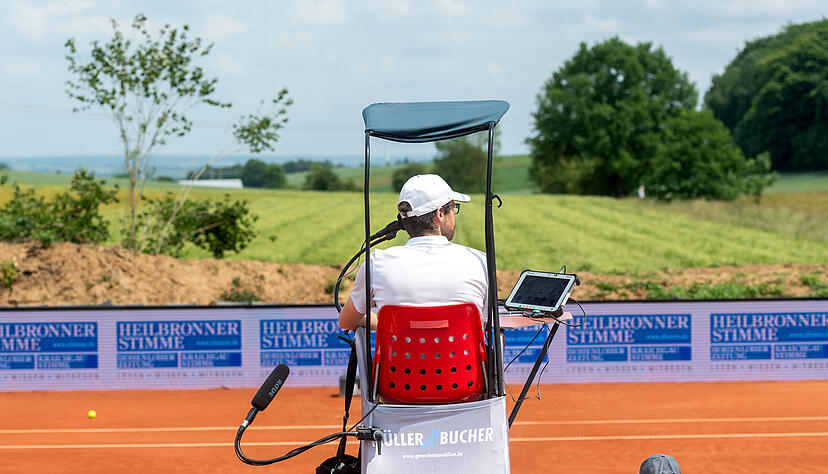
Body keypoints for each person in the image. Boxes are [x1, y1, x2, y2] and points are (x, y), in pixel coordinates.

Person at [338, 174, 488, 330]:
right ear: (440, 214)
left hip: (399, 348)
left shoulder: (376, 264)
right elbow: (482, 324)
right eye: (452, 208)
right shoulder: (480, 262)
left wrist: (390, 323)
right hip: (462, 347)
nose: (453, 214)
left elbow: (346, 322)